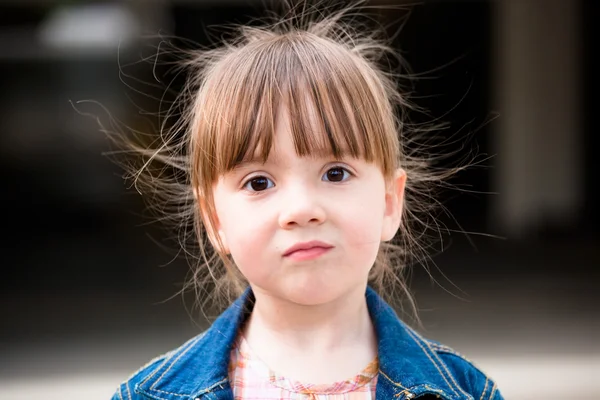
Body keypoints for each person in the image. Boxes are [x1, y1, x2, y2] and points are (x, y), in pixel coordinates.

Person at [108, 2, 503, 399]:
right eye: (259, 182)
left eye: (335, 173)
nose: (301, 210)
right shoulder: (149, 393)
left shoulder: (464, 391)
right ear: (215, 220)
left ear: (388, 203)